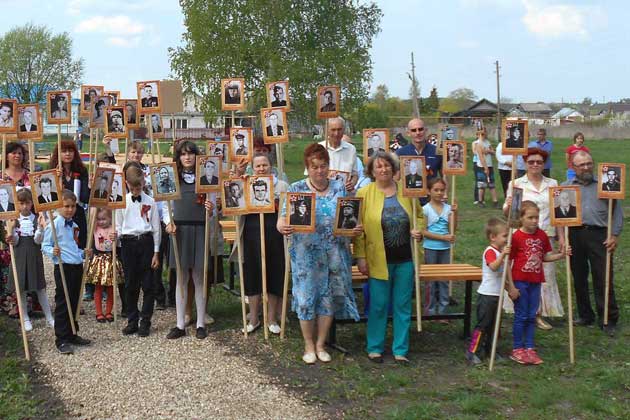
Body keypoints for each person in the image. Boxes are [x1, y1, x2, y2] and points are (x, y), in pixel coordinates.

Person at [278, 143, 360, 364]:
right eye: (315, 167)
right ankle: (308, 344)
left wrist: (354, 228)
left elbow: (350, 216)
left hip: (334, 254)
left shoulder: (339, 188)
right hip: (306, 256)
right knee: (305, 299)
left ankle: (321, 343)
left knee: (328, 300)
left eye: (323, 166)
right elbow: (282, 218)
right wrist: (283, 226)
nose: (320, 171)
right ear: (308, 167)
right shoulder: (296, 189)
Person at [354, 151, 423, 364]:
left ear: (393, 169)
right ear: (372, 171)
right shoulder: (363, 194)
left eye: (387, 166)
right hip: (377, 260)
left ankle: (400, 349)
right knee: (379, 304)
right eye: (379, 167)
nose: (383, 170)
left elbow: (419, 216)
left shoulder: (408, 191)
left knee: (403, 304)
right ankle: (375, 346)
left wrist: (418, 229)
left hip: (405, 259)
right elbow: (359, 230)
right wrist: (361, 257)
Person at [164, 141, 221, 339]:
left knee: (199, 278)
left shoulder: (206, 180)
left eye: (190, 154)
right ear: (178, 157)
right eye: (183, 154)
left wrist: (211, 210)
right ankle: (180, 324)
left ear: (197, 156)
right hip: (179, 229)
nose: (187, 157)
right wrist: (167, 223)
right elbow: (165, 206)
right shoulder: (172, 178)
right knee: (181, 279)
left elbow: (212, 210)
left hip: (199, 229)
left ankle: (200, 323)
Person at [503, 147, 564, 330]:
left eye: (539, 162)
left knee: (546, 274)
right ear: (525, 163)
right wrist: (507, 206)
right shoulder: (516, 184)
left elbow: (559, 213)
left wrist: (562, 237)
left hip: (546, 234)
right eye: (531, 162)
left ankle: (539, 312)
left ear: (544, 164)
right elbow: (510, 214)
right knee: (525, 273)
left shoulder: (553, 183)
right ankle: (525, 310)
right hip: (522, 237)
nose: (535, 165)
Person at [563, 151, 623, 337]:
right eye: (581, 165)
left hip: (600, 235)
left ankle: (608, 318)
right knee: (579, 276)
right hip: (575, 234)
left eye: (589, 163)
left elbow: (617, 212)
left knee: (603, 277)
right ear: (573, 167)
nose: (587, 167)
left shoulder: (606, 185)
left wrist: (614, 234)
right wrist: (563, 238)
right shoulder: (566, 187)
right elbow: (559, 217)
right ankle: (585, 315)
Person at [508, 201, 567, 365]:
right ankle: (517, 348)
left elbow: (545, 257)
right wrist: (511, 286)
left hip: (535, 281)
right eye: (530, 217)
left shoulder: (541, 235)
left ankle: (529, 348)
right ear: (521, 218)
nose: (534, 221)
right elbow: (508, 262)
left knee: (532, 315)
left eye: (537, 217)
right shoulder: (516, 237)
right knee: (521, 315)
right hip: (520, 280)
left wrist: (561, 255)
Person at [236, 153, 288, 334]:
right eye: (257, 166)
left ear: (271, 166)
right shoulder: (246, 184)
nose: (261, 169)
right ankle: (254, 317)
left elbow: (287, 211)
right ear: (253, 168)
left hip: (274, 236)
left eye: (264, 165)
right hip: (251, 235)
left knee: (274, 274)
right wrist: (238, 176)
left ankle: (272, 318)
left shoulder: (281, 186)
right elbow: (233, 197)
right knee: (252, 274)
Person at [41, 190, 91, 354]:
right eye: (66, 206)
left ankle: (72, 332)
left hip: (76, 266)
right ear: (59, 206)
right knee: (63, 302)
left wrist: (84, 254)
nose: (70, 209)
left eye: (73, 206)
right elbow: (45, 246)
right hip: (63, 268)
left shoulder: (74, 225)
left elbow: (73, 248)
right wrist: (52, 251)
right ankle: (61, 338)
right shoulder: (54, 225)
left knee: (75, 301)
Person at [115, 165, 161, 337]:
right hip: (128, 244)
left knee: (148, 284)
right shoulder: (122, 202)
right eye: (133, 188)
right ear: (127, 184)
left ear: (143, 183)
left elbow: (156, 228)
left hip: (146, 242)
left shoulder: (151, 202)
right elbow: (119, 225)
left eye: (139, 187)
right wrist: (116, 236)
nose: (136, 191)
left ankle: (146, 320)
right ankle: (132, 319)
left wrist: (156, 251)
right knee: (130, 284)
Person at [466, 218, 518, 365]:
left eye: (508, 236)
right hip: (487, 295)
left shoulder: (501, 253)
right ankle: (472, 351)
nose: (507, 239)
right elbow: (494, 267)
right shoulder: (490, 252)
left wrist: (511, 288)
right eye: (504, 236)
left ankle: (491, 350)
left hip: (497, 295)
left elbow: (503, 276)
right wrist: (502, 256)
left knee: (494, 325)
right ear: (493, 237)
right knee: (483, 324)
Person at [5, 189, 54, 332]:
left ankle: (49, 316)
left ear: (32, 203)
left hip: (33, 254)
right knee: (21, 287)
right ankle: (25, 317)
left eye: (27, 203)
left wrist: (40, 228)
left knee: (40, 286)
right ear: (17, 204)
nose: (25, 206)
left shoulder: (36, 218)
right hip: (19, 255)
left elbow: (38, 241)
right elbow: (14, 241)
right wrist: (12, 230)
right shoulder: (14, 220)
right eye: (21, 203)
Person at [422, 178, 457, 319]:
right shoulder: (425, 209)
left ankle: (443, 310)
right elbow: (423, 231)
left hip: (445, 249)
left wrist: (456, 212)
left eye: (442, 190)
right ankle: (430, 309)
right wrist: (443, 238)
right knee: (431, 279)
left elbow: (453, 228)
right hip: (430, 247)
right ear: (429, 191)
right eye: (436, 190)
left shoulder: (448, 209)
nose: (439, 193)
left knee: (444, 278)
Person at [85, 208, 124, 323]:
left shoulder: (114, 229)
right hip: (99, 260)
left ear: (110, 218)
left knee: (111, 288)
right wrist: (96, 206)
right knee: (98, 288)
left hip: (111, 259)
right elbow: (92, 214)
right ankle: (99, 312)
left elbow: (118, 239)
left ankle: (108, 311)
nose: (101, 221)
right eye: (99, 219)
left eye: (104, 219)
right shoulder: (95, 228)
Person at [396, 118, 443, 204]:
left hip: (431, 201)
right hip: (409, 201)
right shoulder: (400, 153)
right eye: (414, 130)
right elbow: (396, 180)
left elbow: (445, 177)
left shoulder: (437, 151)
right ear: (408, 133)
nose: (418, 133)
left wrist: (445, 194)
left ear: (426, 130)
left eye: (420, 129)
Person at [318, 117, 357, 192]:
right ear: (327, 131)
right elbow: (310, 175)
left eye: (339, 129)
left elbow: (354, 174)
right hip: (323, 194)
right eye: (333, 130)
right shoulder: (318, 148)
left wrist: (352, 183)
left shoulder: (351, 149)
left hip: (344, 195)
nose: (336, 133)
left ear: (343, 130)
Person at [474, 129, 499, 208]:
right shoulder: (478, 143)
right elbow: (481, 157)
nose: (484, 134)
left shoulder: (487, 142)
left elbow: (493, 152)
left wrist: (488, 151)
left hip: (490, 165)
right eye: (482, 133)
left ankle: (495, 202)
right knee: (481, 184)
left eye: (485, 133)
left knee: (492, 184)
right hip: (481, 166)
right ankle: (480, 201)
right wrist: (485, 168)